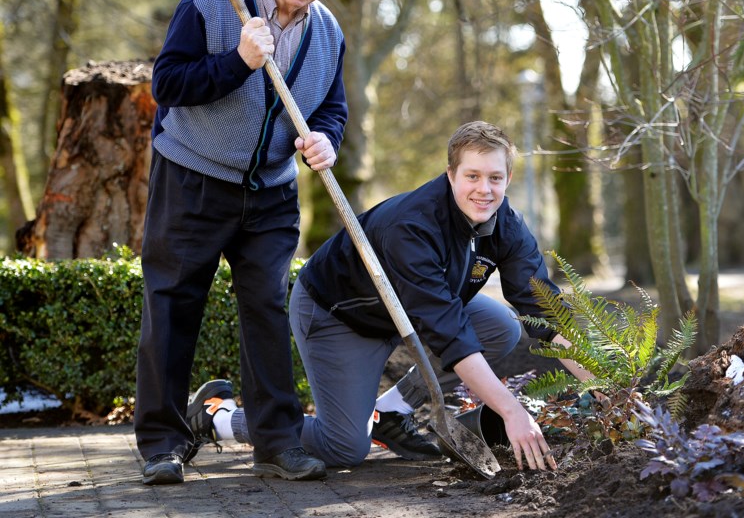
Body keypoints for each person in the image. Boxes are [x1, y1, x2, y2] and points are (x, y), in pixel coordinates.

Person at [186, 121, 593, 472]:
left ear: (507, 179)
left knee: (502, 326)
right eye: (472, 176)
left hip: (407, 313)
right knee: (344, 447)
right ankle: (218, 416)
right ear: (450, 175)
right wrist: (511, 410)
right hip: (341, 315)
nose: (484, 190)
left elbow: (545, 313)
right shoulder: (412, 227)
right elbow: (449, 333)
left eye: (495, 178)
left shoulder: (506, 223)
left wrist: (606, 380)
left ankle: (390, 413)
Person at [135, 0, 350, 486]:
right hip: (193, 180)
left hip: (272, 192)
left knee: (267, 308)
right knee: (173, 306)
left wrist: (327, 139)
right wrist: (238, 63)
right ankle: (162, 443)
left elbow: (331, 107)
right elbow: (167, 86)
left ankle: (277, 441)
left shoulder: (328, 32)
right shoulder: (211, 2)